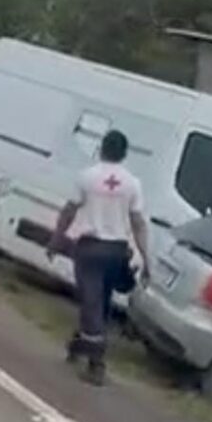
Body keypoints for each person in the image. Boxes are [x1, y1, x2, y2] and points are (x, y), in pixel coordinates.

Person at [46, 130, 150, 386]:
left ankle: (96, 363)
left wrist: (57, 238)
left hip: (90, 248)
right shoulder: (132, 184)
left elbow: (69, 210)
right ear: (124, 154)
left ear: (102, 149)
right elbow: (138, 223)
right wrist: (147, 258)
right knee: (100, 302)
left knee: (91, 302)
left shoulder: (87, 177)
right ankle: (79, 345)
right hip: (116, 251)